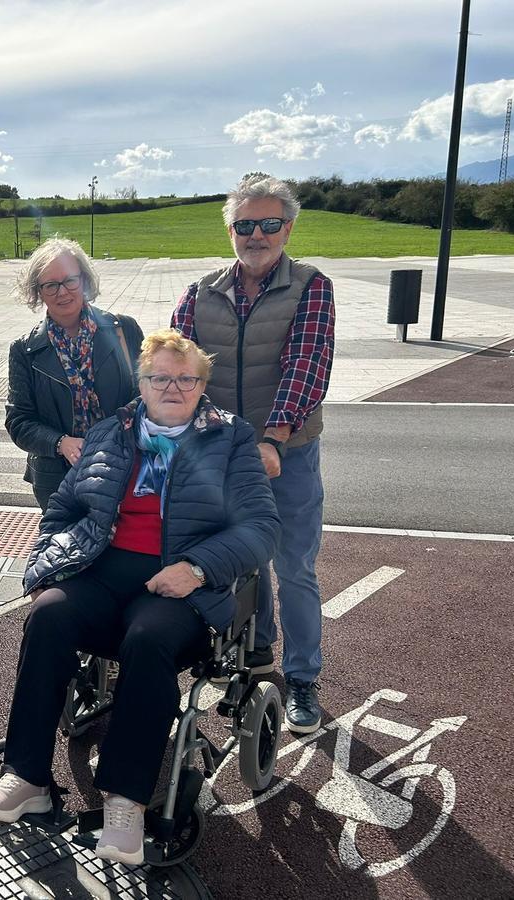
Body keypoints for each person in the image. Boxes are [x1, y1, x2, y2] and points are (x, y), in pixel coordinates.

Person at [0, 329, 279, 865]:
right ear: (141, 383)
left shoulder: (230, 438)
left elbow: (260, 527)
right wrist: (48, 567)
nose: (172, 388)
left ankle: (125, 800)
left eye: (185, 379)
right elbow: (64, 510)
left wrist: (197, 569)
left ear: (202, 385)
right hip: (102, 570)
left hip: (178, 583)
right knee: (48, 616)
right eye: (160, 377)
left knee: (149, 637)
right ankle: (28, 776)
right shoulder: (110, 432)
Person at [171, 174, 335, 734]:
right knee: (243, 559)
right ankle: (259, 653)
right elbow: (178, 366)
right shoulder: (201, 291)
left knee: (294, 566)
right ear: (231, 231)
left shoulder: (310, 287)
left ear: (288, 229)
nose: (256, 235)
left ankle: (303, 677)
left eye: (268, 224)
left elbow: (306, 366)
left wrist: (273, 438)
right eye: (245, 225)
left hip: (287, 452)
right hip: (222, 451)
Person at [5, 237, 143, 510]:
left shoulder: (124, 330)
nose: (63, 292)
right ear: (38, 291)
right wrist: (61, 443)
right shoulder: (25, 350)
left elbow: (147, 395)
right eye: (51, 285)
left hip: (121, 467)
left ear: (84, 280)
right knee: (64, 538)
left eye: (70, 280)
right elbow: (19, 421)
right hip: (57, 479)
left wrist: (113, 435)